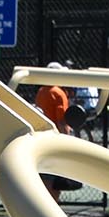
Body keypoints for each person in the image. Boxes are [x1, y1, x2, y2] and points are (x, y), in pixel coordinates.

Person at [32, 62, 76, 203]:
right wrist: (67, 141)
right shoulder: (58, 93)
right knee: (53, 179)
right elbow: (62, 121)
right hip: (55, 140)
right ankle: (51, 208)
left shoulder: (41, 92)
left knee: (44, 177)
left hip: (41, 137)